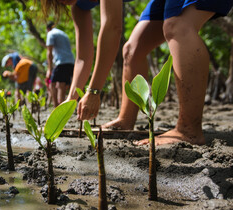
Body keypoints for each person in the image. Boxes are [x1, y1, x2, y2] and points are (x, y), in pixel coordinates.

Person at [41, 0, 233, 146]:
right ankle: (126, 120)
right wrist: (71, 99)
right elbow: (83, 57)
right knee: (132, 50)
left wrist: (93, 91)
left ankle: (189, 130)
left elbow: (112, 28)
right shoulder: (78, 6)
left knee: (177, 25)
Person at [46, 21, 75, 107]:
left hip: (61, 62)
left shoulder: (51, 33)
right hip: (70, 61)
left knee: (53, 84)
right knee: (62, 85)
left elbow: (49, 52)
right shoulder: (64, 34)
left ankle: (56, 107)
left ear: (48, 29)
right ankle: (62, 107)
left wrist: (49, 69)